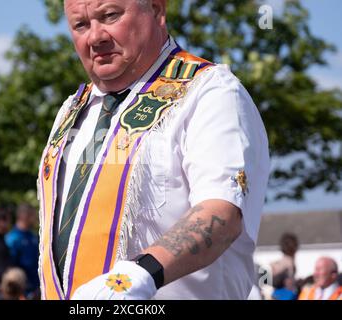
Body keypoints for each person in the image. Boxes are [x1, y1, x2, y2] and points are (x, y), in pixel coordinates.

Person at [36, 0, 269, 299]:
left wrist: (139, 275)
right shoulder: (72, 110)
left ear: (157, 10)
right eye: (81, 25)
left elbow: (221, 214)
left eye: (109, 16)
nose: (95, 36)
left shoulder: (210, 91)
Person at [5, 203, 40, 298]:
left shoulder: (33, 236)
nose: (36, 218)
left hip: (37, 287)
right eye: (33, 215)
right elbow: (11, 266)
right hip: (23, 291)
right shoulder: (12, 238)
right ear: (24, 216)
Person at [270, 233, 299, 300]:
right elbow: (289, 284)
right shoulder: (289, 262)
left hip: (276, 295)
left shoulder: (276, 263)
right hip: (285, 296)